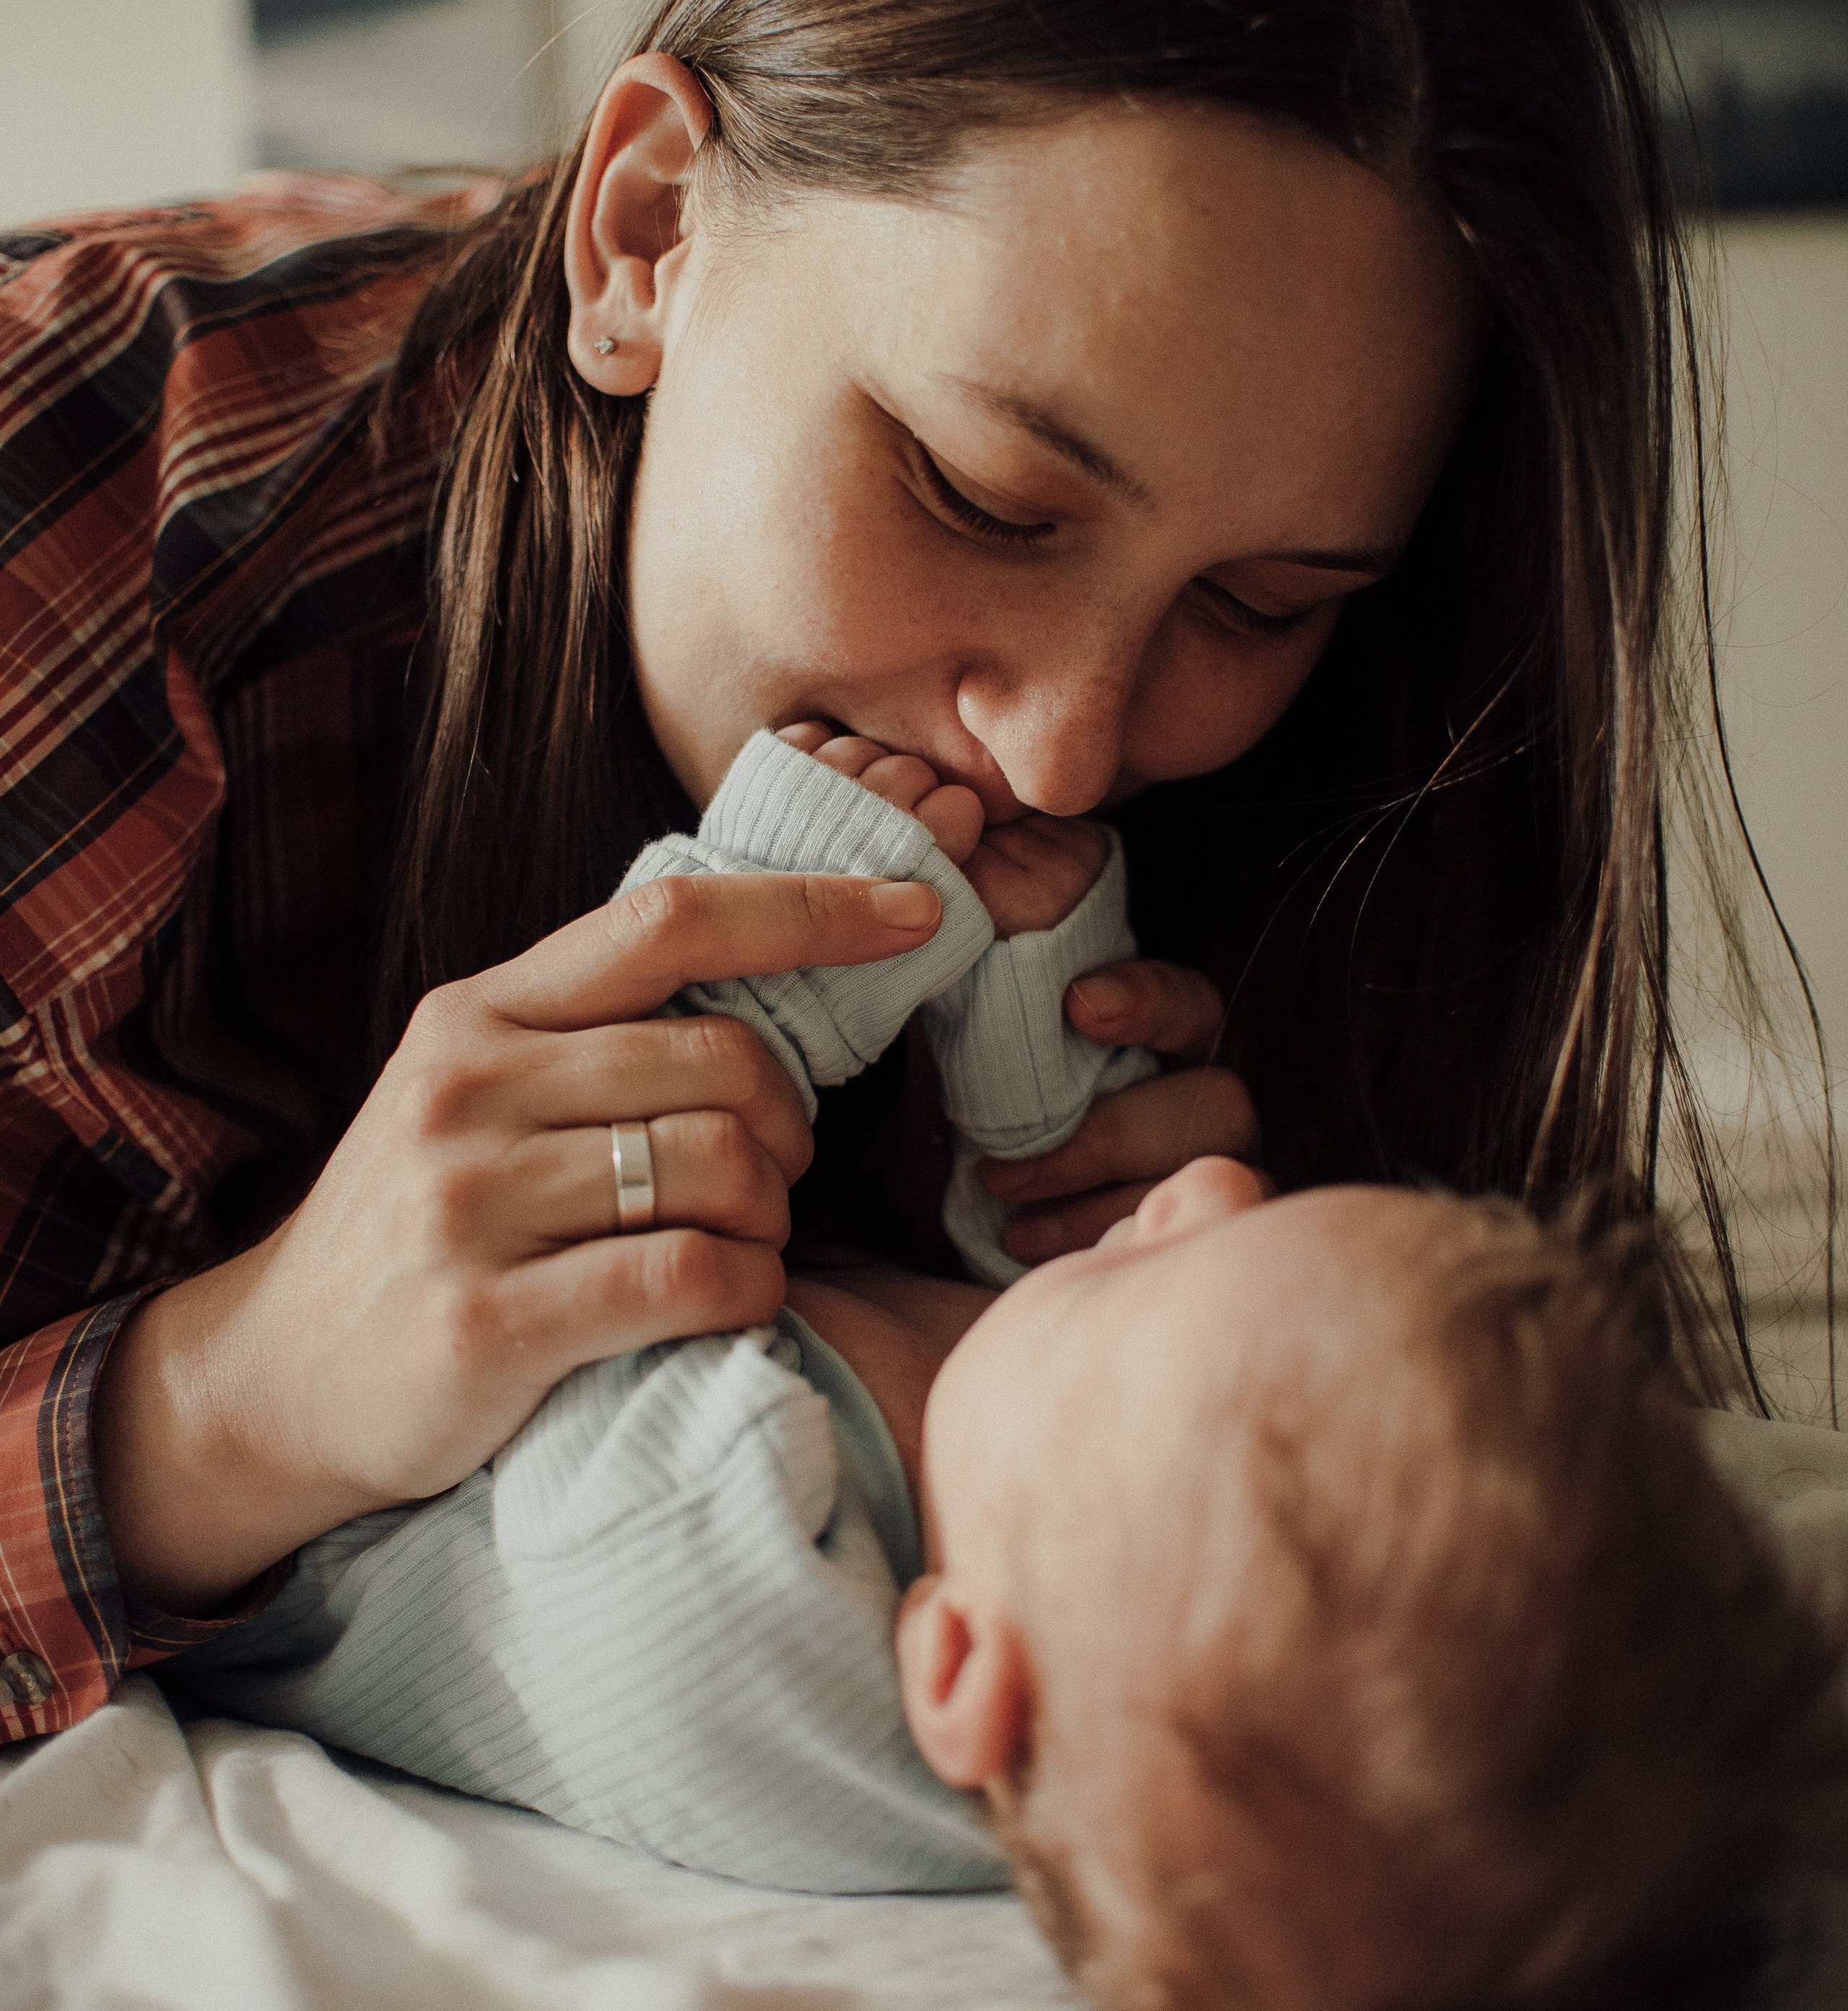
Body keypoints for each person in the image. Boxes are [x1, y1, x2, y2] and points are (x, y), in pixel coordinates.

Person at [0, 0, 1813, 1744]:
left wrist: (1151, 1362)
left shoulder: (1339, 778)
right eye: (977, 491)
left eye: (1259, 599)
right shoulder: (70, 519)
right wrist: (218, 1401)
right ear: (649, 233)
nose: (1065, 745)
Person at [170, 732, 1840, 2002]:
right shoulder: (1059, 1556)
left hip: (230, 1526)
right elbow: (996, 1275)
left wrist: (800, 920)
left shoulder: (720, 1591)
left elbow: (626, 1229)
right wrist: (1039, 1071)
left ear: (958, 1675)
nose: (1208, 1184)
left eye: (1156, 1276)